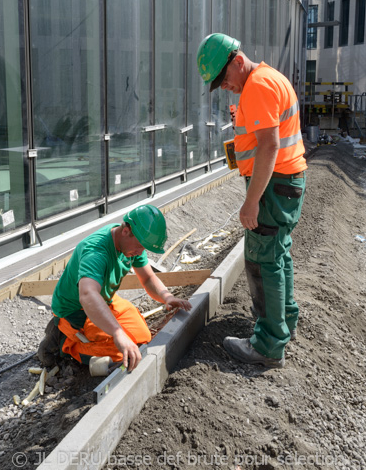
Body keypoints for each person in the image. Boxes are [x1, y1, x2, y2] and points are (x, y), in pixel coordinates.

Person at [197, 33, 307, 368]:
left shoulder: (258, 86)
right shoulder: (267, 79)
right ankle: (283, 321)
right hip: (286, 183)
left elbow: (269, 146)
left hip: (273, 187)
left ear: (237, 61)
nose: (224, 86)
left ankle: (268, 345)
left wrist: (251, 202)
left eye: (224, 78)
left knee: (263, 260)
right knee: (278, 253)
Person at [38, 204, 191, 373]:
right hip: (76, 310)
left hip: (103, 298)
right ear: (126, 230)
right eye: (140, 246)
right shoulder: (96, 252)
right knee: (123, 353)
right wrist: (118, 334)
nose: (141, 252)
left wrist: (167, 297)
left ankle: (96, 333)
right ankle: (63, 341)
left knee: (142, 337)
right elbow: (88, 295)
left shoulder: (131, 245)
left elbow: (148, 278)